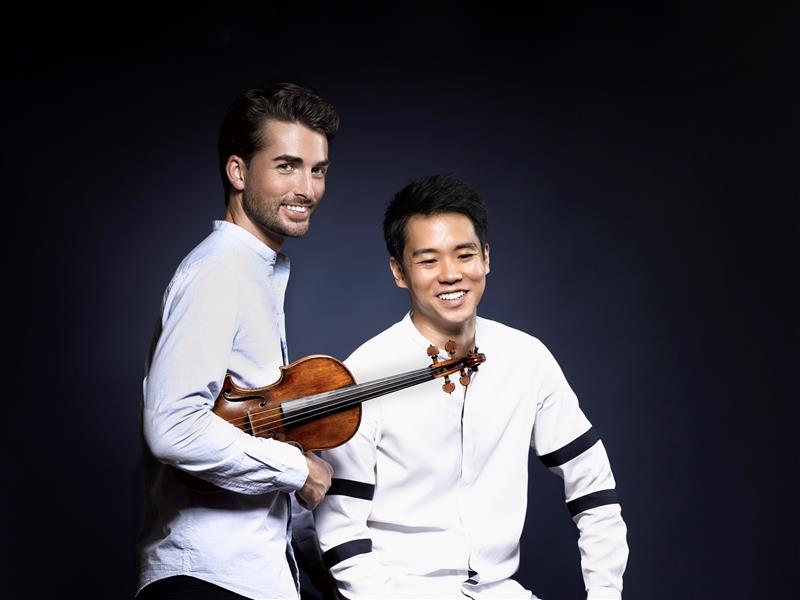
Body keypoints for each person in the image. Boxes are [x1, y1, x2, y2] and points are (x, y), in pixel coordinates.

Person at [313, 174, 629, 599]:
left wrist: (605, 593)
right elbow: (339, 529)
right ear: (399, 272)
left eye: (464, 255)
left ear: (486, 258)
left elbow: (592, 483)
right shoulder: (363, 375)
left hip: (498, 590)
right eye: (428, 261)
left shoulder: (526, 357)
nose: (450, 274)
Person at [136, 83, 339, 600]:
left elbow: (247, 439)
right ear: (238, 171)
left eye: (318, 170)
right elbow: (173, 427)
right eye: (288, 166)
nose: (308, 188)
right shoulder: (218, 272)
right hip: (205, 581)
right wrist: (298, 470)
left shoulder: (254, 273)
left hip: (253, 579)